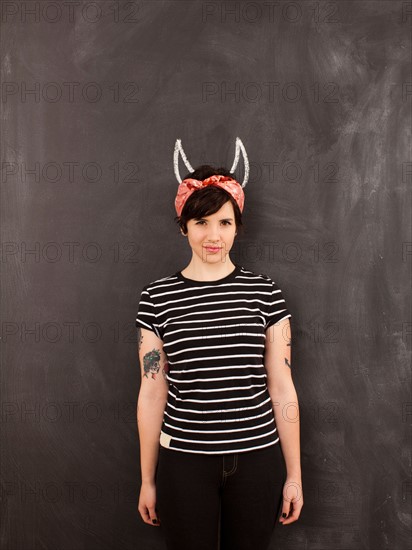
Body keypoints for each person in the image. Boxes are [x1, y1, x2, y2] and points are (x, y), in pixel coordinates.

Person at [136, 163, 303, 550]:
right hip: (183, 463)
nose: (214, 236)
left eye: (225, 223)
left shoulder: (265, 293)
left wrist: (293, 473)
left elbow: (282, 387)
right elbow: (151, 392)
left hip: (257, 459)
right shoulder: (156, 298)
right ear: (183, 226)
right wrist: (147, 479)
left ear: (237, 226)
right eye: (201, 222)